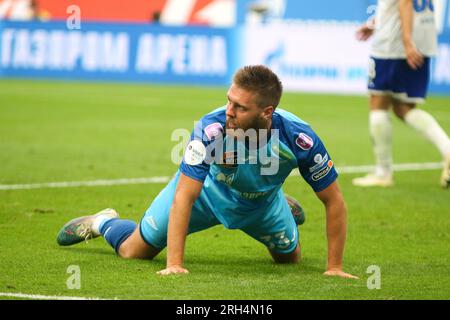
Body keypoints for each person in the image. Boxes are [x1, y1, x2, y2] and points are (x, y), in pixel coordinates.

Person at [56, 65, 358, 279]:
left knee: (289, 259)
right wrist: (175, 263)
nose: (228, 110)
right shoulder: (210, 128)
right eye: (229, 99)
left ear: (266, 112)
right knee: (134, 251)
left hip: (261, 204)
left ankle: (277, 199)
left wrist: (334, 267)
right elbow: (185, 195)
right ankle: (103, 222)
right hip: (207, 195)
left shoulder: (299, 138)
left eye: (239, 107)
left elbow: (334, 200)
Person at [353, 0, 450, 188]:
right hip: (421, 41)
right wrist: (375, 23)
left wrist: (407, 42)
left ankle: (383, 173)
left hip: (394, 46)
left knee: (378, 102)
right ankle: (448, 148)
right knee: (403, 107)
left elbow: (405, 2)